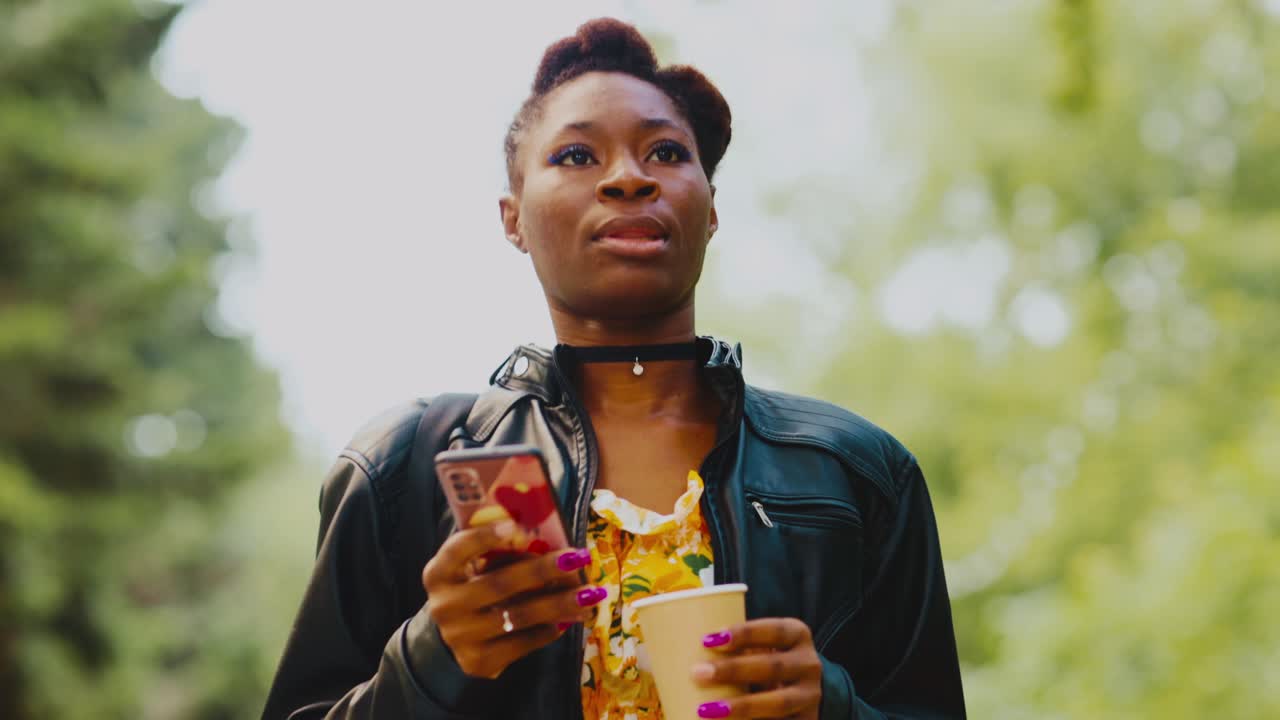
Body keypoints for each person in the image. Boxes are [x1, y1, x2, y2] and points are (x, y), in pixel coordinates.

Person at [263, 17, 965, 720]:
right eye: (575, 156)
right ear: (513, 220)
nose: (629, 178)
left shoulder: (857, 472)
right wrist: (428, 658)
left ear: (711, 209)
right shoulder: (400, 469)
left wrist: (831, 708)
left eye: (664, 151)